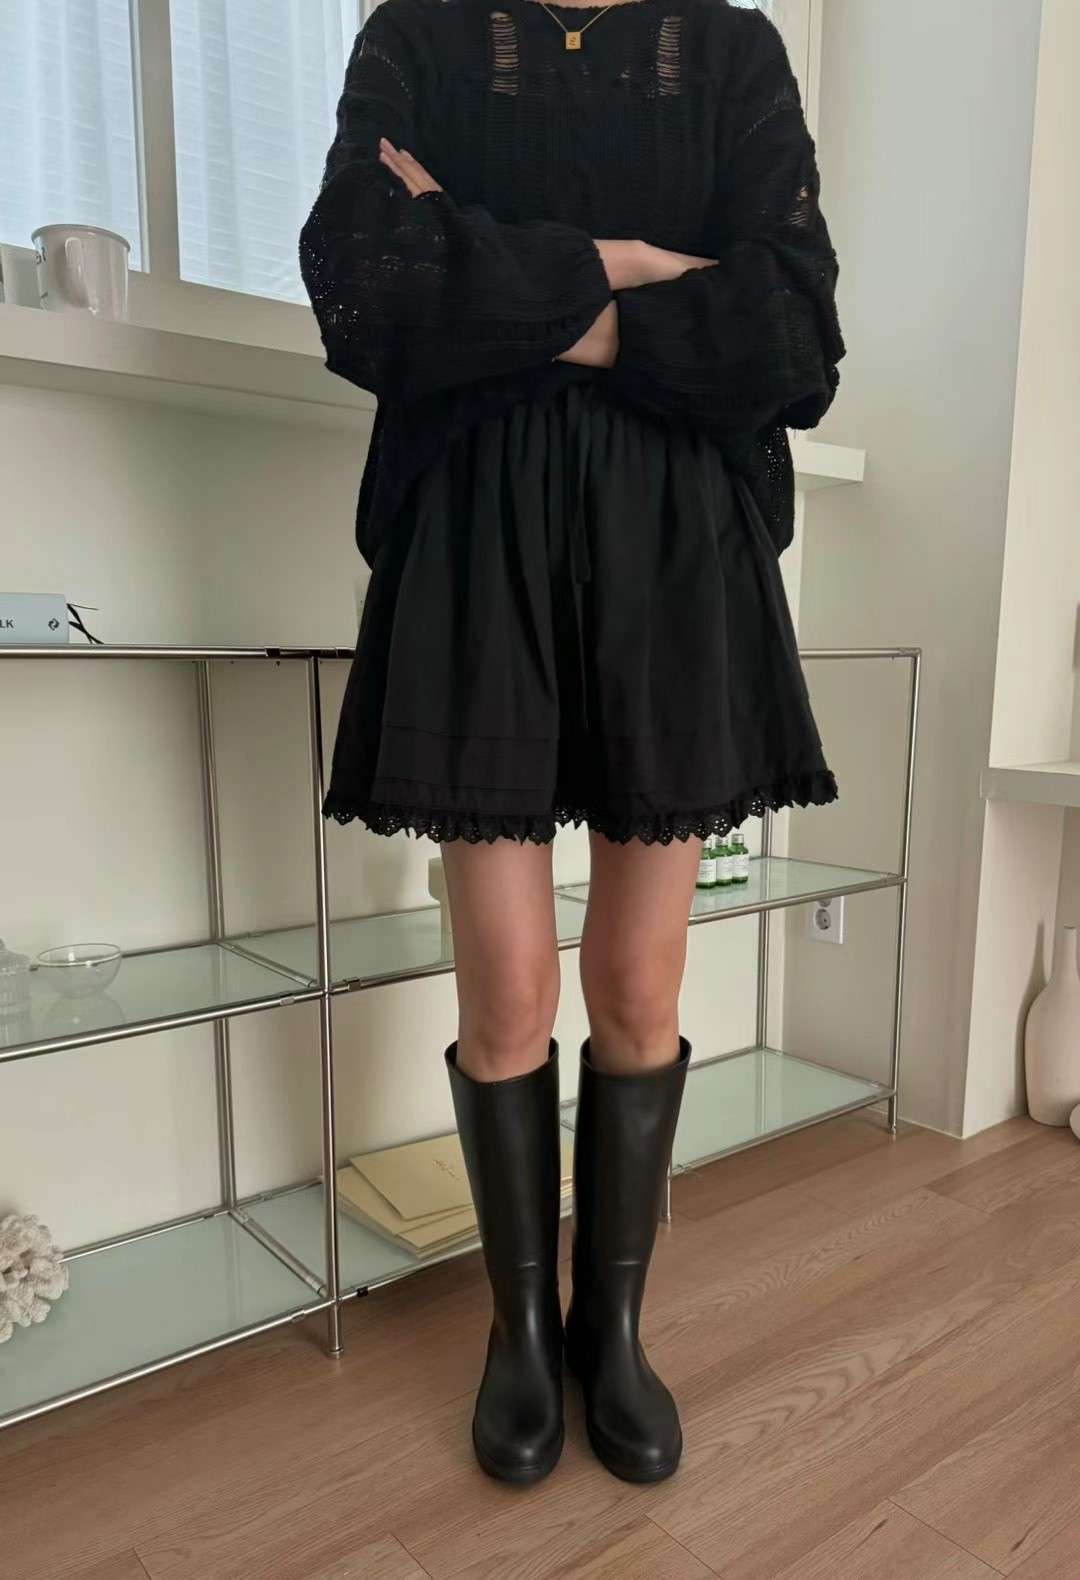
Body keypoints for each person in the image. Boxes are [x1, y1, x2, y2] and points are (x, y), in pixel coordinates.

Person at [302, 0, 843, 1488]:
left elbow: (792, 328)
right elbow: (364, 287)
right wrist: (627, 268)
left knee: (639, 982)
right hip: (474, 533)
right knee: (509, 990)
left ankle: (611, 1324)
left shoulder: (730, 51)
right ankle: (519, 1336)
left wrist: (496, 271)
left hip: (679, 538)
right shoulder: (418, 37)